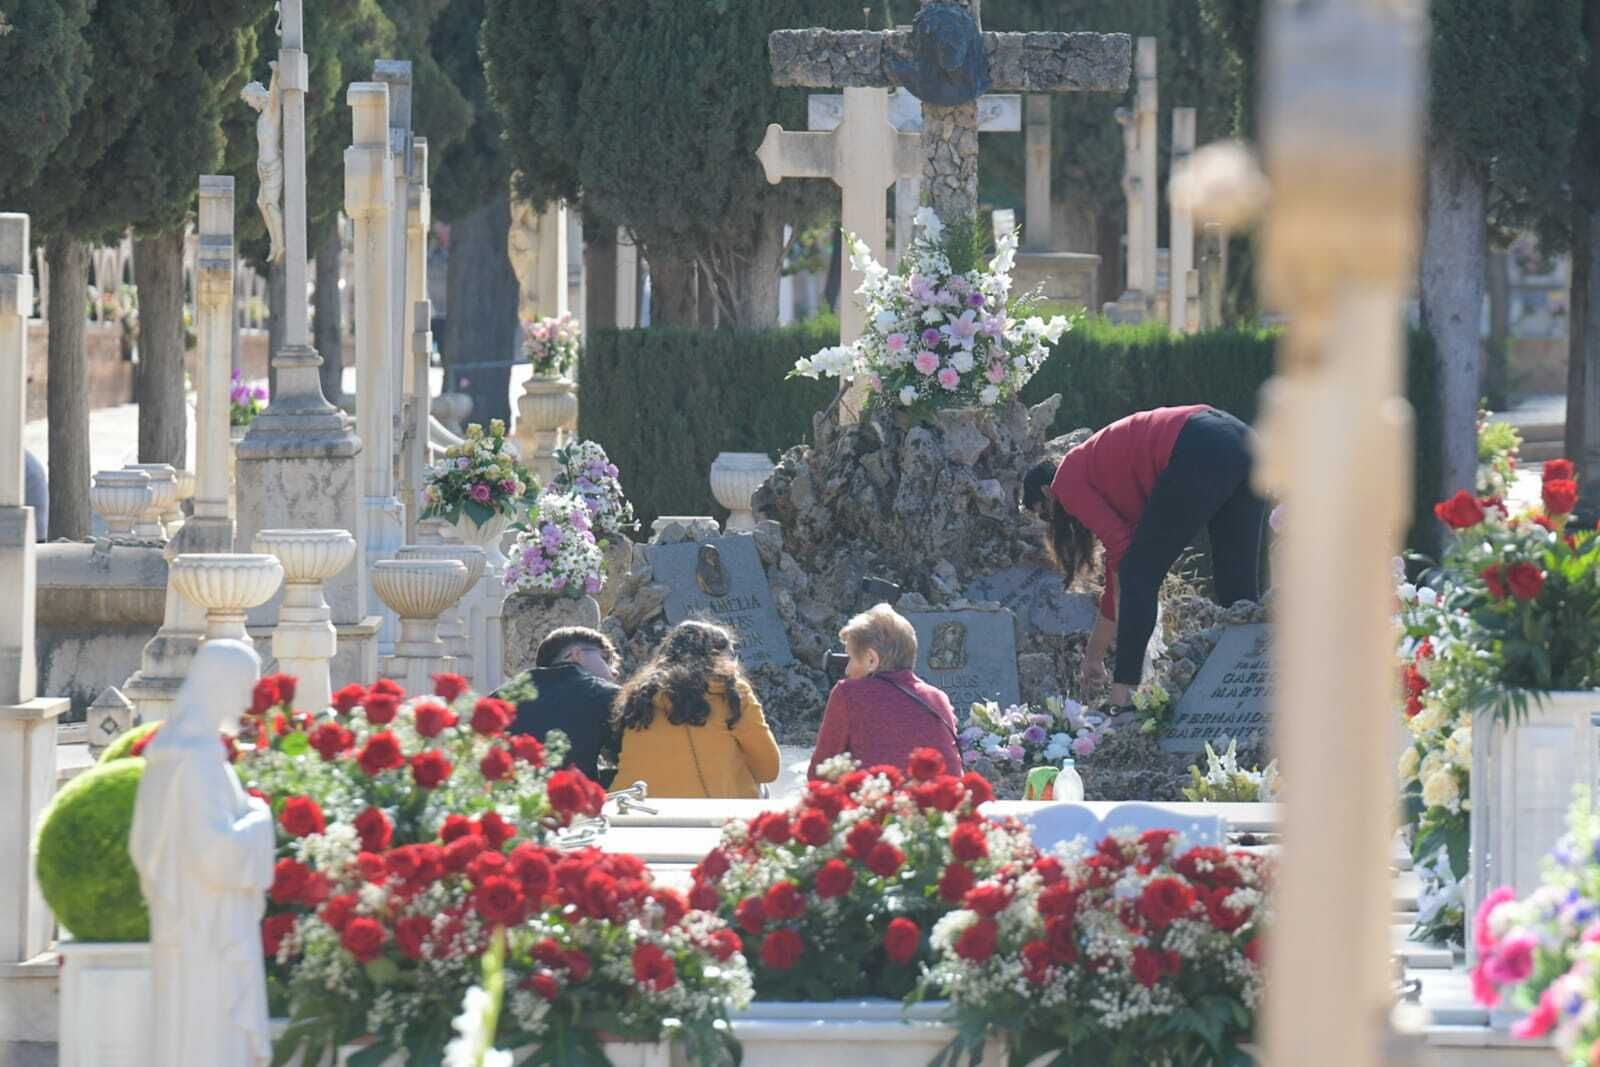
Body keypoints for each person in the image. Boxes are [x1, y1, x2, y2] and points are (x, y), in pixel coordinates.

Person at [1023, 405, 1265, 708]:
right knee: (1237, 590)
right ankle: (1256, 696)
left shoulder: (1066, 481)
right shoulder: (1107, 477)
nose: (1052, 524)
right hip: (1244, 440)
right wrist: (1094, 657)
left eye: (1044, 515)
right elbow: (1118, 576)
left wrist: (1098, 656)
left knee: (1139, 574)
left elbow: (1128, 565)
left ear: (1048, 493)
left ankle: (1121, 701)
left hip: (1198, 443)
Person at [612, 620, 781, 798]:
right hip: (710, 816)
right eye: (731, 655)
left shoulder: (638, 695)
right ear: (719, 658)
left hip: (637, 809)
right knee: (763, 791)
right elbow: (769, 770)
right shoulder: (731, 692)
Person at [807, 603, 960, 779]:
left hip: (880, 802)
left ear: (872, 659)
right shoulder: (938, 698)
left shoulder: (848, 693)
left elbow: (819, 775)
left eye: (851, 658)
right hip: (937, 805)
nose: (847, 670)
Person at [504, 627, 620, 787]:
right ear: (576, 655)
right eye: (606, 658)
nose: (614, 672)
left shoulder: (500, 698)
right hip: (571, 804)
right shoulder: (605, 694)